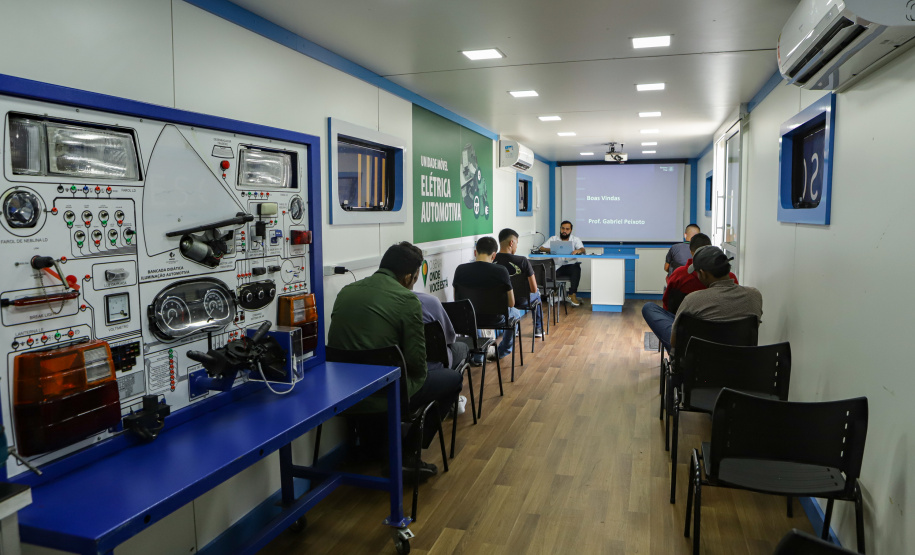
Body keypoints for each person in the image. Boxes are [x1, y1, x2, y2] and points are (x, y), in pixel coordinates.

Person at [327, 241, 462, 478]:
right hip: (385, 394)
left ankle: (374, 447)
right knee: (452, 379)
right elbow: (416, 364)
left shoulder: (346, 291)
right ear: (408, 276)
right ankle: (408, 453)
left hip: (345, 391)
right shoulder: (407, 299)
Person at [642, 245, 761, 351]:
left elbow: (674, 342)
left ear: (703, 273)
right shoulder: (754, 295)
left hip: (696, 363)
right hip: (741, 361)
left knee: (649, 308)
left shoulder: (693, 300)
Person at [452, 236, 519, 364]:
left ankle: (478, 355)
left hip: (468, 320)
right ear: (494, 256)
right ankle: (502, 351)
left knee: (474, 312)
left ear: (475, 252)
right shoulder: (501, 271)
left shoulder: (460, 270)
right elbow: (511, 303)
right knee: (515, 313)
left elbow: (458, 301)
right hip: (495, 319)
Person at [662, 233, 738, 314]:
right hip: (724, 322)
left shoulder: (679, 274)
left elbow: (667, 303)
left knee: (650, 307)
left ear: (702, 274)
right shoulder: (731, 278)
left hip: (683, 322)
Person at [495, 228, 544, 338]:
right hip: (521, 300)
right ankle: (538, 328)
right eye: (517, 243)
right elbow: (533, 289)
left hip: (499, 302)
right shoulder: (522, 261)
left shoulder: (492, 260)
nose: (516, 247)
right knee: (538, 294)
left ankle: (514, 327)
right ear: (511, 243)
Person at [414, 290, 471, 371]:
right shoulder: (430, 301)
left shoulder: (390, 305)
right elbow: (449, 338)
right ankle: (452, 380)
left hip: (399, 368)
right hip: (433, 366)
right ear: (413, 278)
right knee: (463, 348)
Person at [539, 220, 586, 306]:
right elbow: (541, 248)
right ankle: (554, 292)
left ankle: (572, 294)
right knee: (545, 269)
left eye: (567, 229)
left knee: (576, 267)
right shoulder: (553, 239)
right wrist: (552, 249)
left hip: (570, 266)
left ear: (571, 230)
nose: (564, 231)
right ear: (560, 229)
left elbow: (583, 249)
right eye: (563, 228)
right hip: (556, 267)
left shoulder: (575, 239)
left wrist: (578, 250)